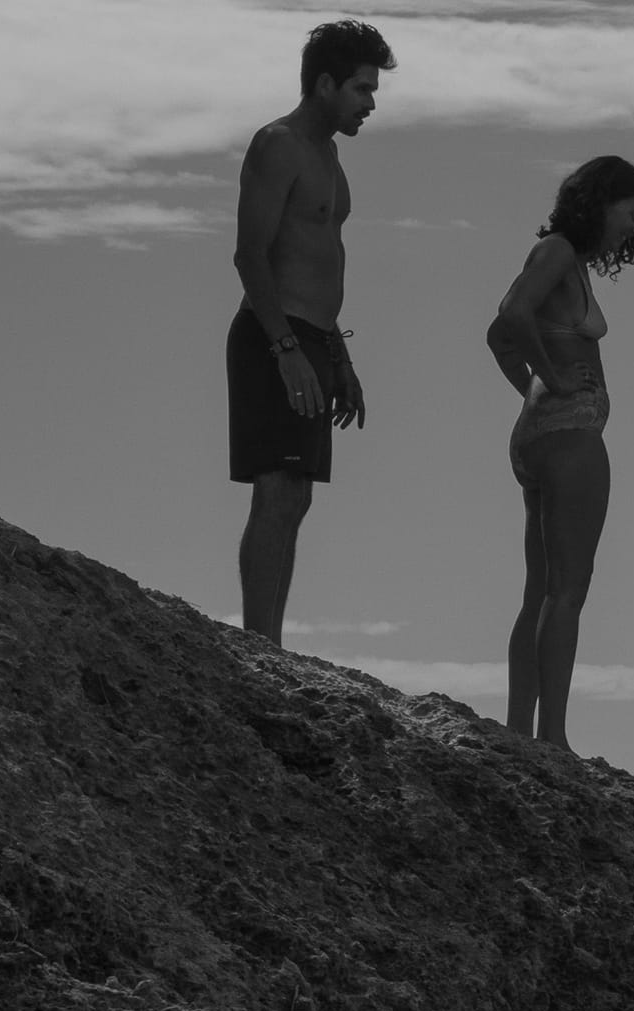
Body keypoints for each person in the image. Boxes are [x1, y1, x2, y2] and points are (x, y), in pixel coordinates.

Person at [228, 19, 394, 645]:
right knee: (276, 488)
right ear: (324, 83)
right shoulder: (279, 144)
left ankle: (271, 643)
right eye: (361, 89)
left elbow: (323, 259)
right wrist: (286, 348)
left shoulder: (328, 154)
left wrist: (338, 358)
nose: (370, 103)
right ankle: (257, 643)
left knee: (297, 496)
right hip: (275, 336)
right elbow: (251, 255)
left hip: (314, 340)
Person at [486, 157, 634, 751]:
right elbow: (509, 318)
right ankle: (552, 739)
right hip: (570, 431)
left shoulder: (566, 261)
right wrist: (555, 385)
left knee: (541, 589)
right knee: (569, 589)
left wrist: (533, 388)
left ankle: (519, 730)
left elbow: (500, 336)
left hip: (542, 431)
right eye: (631, 216)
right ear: (600, 204)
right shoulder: (558, 251)